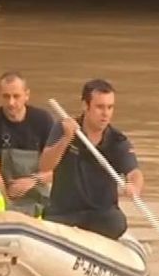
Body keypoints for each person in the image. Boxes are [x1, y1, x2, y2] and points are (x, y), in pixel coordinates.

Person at [38, 79, 145, 240]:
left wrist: (134, 186)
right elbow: (45, 166)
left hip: (100, 214)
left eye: (110, 107)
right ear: (85, 105)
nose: (106, 113)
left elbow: (134, 173)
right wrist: (66, 139)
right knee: (52, 222)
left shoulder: (117, 141)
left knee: (117, 222)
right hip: (65, 212)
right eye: (100, 107)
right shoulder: (63, 128)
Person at [0, 71, 55, 217]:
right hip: (5, 196)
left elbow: (58, 169)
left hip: (39, 193)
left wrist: (32, 181)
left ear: (27, 95)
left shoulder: (43, 120)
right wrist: (7, 207)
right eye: (6, 96)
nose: (11, 103)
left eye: (16, 96)